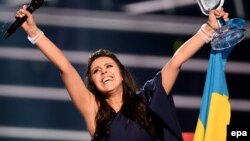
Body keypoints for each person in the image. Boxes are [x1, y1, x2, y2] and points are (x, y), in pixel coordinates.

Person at [16, 5, 229, 141]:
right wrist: (34, 33)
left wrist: (208, 30)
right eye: (96, 71)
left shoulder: (149, 97)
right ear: (92, 83)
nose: (103, 72)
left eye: (108, 66)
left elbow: (176, 62)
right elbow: (65, 67)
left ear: (120, 72)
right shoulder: (94, 111)